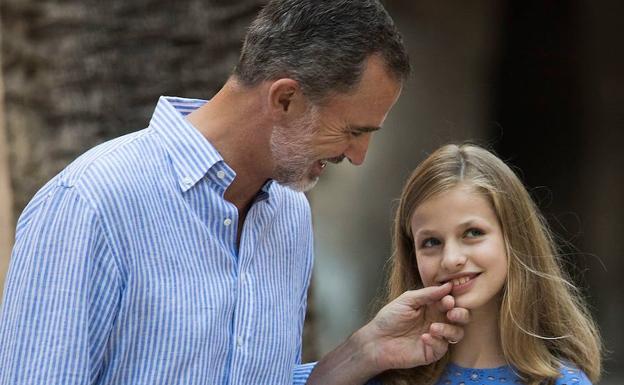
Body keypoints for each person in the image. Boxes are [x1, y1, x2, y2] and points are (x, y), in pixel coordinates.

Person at [0, 1, 470, 384]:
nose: (359, 155)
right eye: (352, 130)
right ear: (285, 98)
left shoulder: (288, 214)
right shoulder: (90, 202)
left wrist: (365, 352)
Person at [377, 144, 602, 385]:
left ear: (514, 237)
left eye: (472, 233)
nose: (451, 259)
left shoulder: (563, 382)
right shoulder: (387, 375)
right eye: (431, 241)